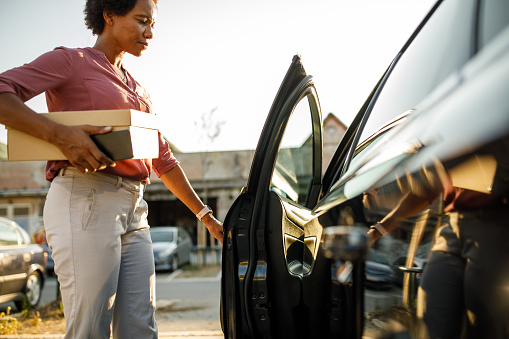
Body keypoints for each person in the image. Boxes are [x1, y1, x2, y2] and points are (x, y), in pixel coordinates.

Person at [0, 0, 223, 338]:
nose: (149, 33)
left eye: (153, 25)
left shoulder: (140, 91)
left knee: (140, 328)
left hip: (136, 211)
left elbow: (163, 160)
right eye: (142, 21)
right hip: (84, 199)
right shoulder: (71, 61)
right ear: (109, 15)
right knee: (91, 329)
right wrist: (60, 136)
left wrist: (206, 216)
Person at [366, 157, 509, 339]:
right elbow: (427, 189)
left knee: (486, 323)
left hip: (497, 223)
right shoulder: (446, 134)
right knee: (432, 309)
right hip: (453, 223)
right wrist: (377, 231)